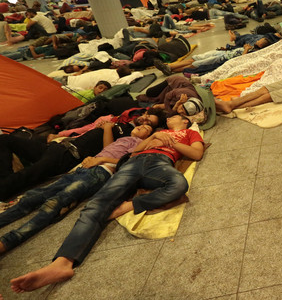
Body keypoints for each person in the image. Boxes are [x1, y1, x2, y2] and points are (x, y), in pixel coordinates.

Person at [10, 114, 204, 293]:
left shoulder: (190, 132)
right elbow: (135, 151)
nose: (169, 118)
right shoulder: (156, 132)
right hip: (132, 164)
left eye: (174, 116)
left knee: (179, 184)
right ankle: (63, 262)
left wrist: (171, 142)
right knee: (96, 205)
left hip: (161, 163)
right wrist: (154, 138)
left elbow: (196, 154)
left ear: (185, 121)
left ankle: (130, 205)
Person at [0, 123, 153, 254]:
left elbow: (131, 161)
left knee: (55, 202)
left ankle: (8, 241)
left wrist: (102, 159)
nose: (142, 125)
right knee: (34, 195)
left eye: (147, 127)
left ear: (149, 136)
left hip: (101, 171)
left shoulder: (140, 144)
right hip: (83, 168)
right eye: (142, 124)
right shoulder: (124, 138)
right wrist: (107, 130)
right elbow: (108, 147)